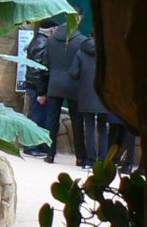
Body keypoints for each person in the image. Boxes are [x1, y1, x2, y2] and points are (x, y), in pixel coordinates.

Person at [39, 21, 86, 166]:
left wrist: (42, 90)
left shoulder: (51, 40)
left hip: (54, 84)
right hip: (74, 84)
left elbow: (44, 64)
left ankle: (49, 154)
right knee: (77, 121)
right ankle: (80, 157)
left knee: (52, 120)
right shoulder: (82, 41)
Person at [69, 32, 111, 169]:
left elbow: (73, 73)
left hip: (86, 94)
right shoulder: (109, 52)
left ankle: (90, 161)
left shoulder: (82, 51)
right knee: (103, 128)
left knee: (89, 126)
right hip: (104, 95)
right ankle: (103, 159)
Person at [21, 22, 53, 157]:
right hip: (37, 88)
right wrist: (41, 92)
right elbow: (36, 69)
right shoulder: (42, 43)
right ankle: (30, 146)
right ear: (51, 30)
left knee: (38, 116)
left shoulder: (37, 40)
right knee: (35, 117)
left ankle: (37, 145)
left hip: (34, 86)